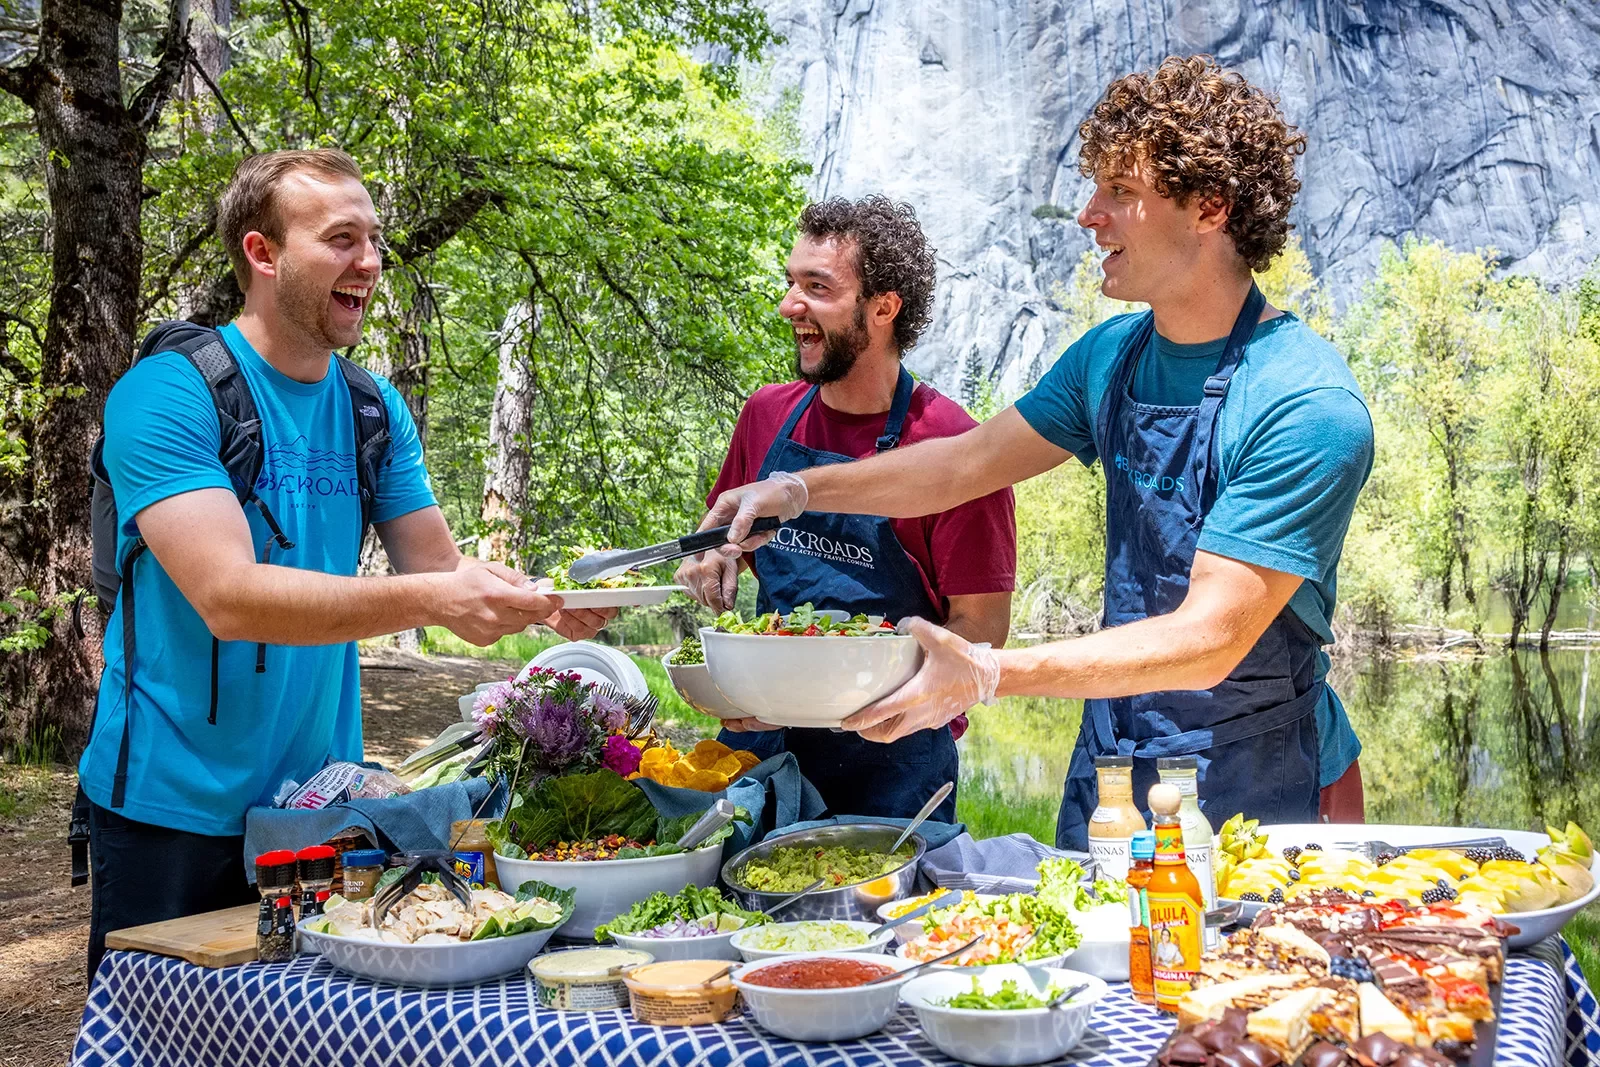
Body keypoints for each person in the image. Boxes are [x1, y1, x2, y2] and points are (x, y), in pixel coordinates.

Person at [698, 56, 1372, 849]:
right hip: (1115, 762)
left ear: (1210, 207)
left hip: (1259, 772)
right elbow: (958, 465)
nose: (1090, 214)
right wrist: (792, 492)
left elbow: (1208, 640)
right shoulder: (1108, 358)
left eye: (1121, 191)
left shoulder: (1307, 404)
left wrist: (988, 672)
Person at [76, 148, 611, 978]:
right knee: (164, 1032)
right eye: (341, 239)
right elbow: (230, 596)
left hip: (317, 808)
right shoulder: (165, 394)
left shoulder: (372, 407)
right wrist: (438, 597)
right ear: (262, 254)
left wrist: (542, 603)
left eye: (375, 240)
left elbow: (438, 568)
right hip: (169, 808)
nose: (370, 262)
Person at [674, 196, 1016, 823]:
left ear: (883, 307)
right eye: (789, 284)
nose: (788, 306)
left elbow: (983, 628)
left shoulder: (955, 445)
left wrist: (871, 688)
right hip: (759, 736)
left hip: (895, 754)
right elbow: (726, 544)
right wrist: (712, 561)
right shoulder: (766, 415)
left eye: (817, 287)